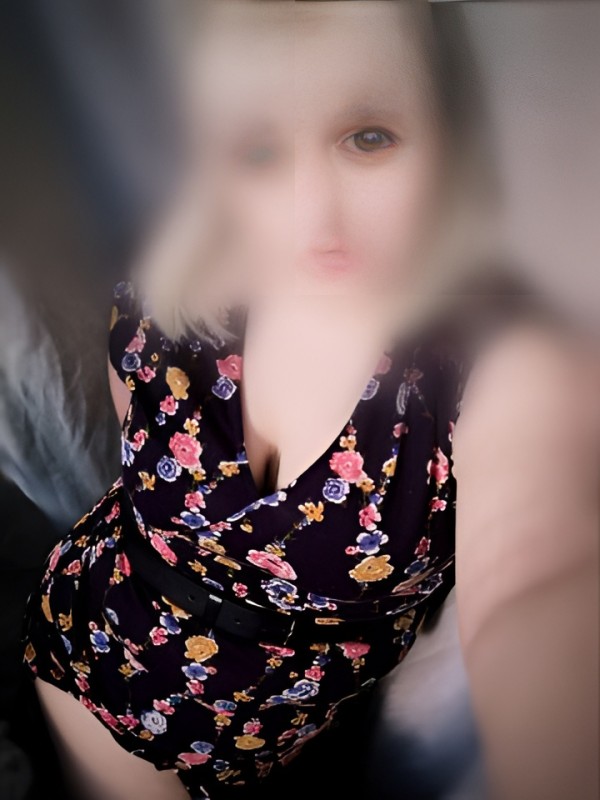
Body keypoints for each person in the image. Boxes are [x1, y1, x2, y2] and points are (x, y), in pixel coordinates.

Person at [20, 2, 599, 799]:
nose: (314, 210)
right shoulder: (171, 300)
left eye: (367, 138)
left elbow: (535, 577)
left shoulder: (500, 365)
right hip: (71, 640)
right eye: (261, 151)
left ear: (451, 133)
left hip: (251, 754)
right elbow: (132, 476)